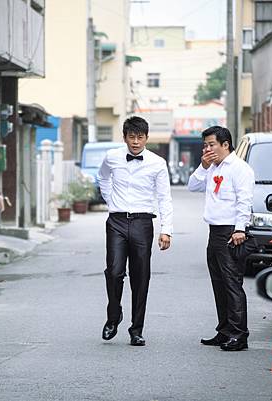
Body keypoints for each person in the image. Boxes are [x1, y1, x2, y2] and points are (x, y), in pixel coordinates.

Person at [97, 116, 173, 346]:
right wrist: (111, 200)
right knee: (114, 272)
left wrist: (166, 230)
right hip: (117, 222)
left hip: (142, 223)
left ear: (147, 139)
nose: (136, 142)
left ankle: (136, 329)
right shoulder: (112, 157)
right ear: (124, 137)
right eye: (132, 137)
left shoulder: (157, 163)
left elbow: (164, 198)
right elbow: (102, 177)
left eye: (140, 137)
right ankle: (113, 316)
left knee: (141, 277)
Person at [188, 126, 254, 352]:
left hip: (231, 233)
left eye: (211, 144)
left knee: (232, 283)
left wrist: (240, 229)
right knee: (219, 283)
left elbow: (244, 200)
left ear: (225, 144)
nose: (207, 149)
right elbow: (192, 186)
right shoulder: (212, 167)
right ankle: (224, 330)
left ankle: (239, 334)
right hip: (214, 232)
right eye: (205, 145)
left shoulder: (239, 168)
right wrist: (204, 165)